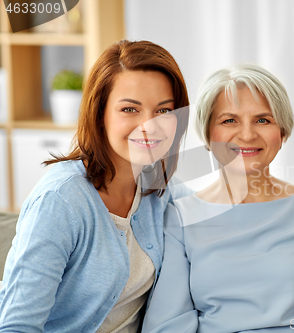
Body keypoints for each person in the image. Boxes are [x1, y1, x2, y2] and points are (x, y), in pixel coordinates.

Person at [0, 40, 192, 332]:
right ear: (100, 114)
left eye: (163, 111)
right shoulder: (61, 199)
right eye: (130, 109)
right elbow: (17, 325)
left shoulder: (159, 189)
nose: (149, 126)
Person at [142, 64, 294, 332]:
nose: (248, 134)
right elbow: (169, 324)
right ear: (207, 134)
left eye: (263, 120)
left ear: (282, 132)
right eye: (230, 120)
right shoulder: (180, 217)